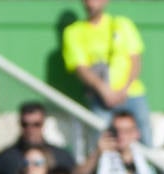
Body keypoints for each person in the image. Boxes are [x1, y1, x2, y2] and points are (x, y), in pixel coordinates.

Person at [62, 0, 153, 143]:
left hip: (132, 94)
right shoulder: (73, 32)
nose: (91, 3)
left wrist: (124, 89)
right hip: (100, 99)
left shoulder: (122, 24)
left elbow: (135, 60)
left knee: (145, 140)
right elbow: (80, 68)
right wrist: (104, 91)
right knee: (101, 143)